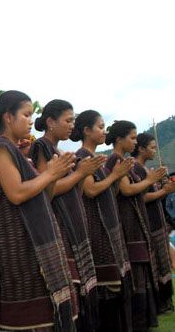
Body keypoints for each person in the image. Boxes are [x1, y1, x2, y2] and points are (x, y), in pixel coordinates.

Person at [0, 90, 77, 331]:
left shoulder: (15, 151)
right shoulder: (0, 149)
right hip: (15, 244)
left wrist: (51, 177)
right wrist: (49, 173)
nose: (30, 120)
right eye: (26, 114)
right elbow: (17, 193)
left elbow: (42, 198)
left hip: (29, 242)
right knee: (28, 313)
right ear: (8, 117)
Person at [30, 100, 101, 329]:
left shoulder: (62, 152)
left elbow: (74, 190)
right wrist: (79, 172)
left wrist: (81, 174)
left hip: (74, 223)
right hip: (59, 225)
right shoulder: (41, 147)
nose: (72, 125)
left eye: (73, 120)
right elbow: (47, 189)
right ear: (51, 122)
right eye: (68, 120)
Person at [70, 110, 134, 330]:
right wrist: (115, 175)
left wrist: (113, 176)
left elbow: (109, 192)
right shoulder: (82, 156)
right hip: (96, 229)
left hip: (107, 227)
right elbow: (90, 190)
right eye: (100, 127)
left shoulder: (97, 158)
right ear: (87, 131)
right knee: (105, 294)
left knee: (114, 293)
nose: (104, 131)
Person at [105, 120, 165, 330]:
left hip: (136, 225)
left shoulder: (124, 160)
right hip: (128, 226)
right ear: (119, 139)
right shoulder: (115, 159)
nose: (134, 141)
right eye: (131, 137)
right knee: (136, 280)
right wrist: (151, 181)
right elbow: (127, 190)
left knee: (142, 278)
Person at [132, 132, 175, 313]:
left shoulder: (145, 170)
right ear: (141, 148)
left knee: (163, 264)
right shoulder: (135, 169)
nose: (154, 151)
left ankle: (164, 303)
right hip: (147, 224)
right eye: (151, 147)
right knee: (155, 266)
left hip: (157, 223)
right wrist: (164, 191)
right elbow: (140, 197)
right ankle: (157, 305)